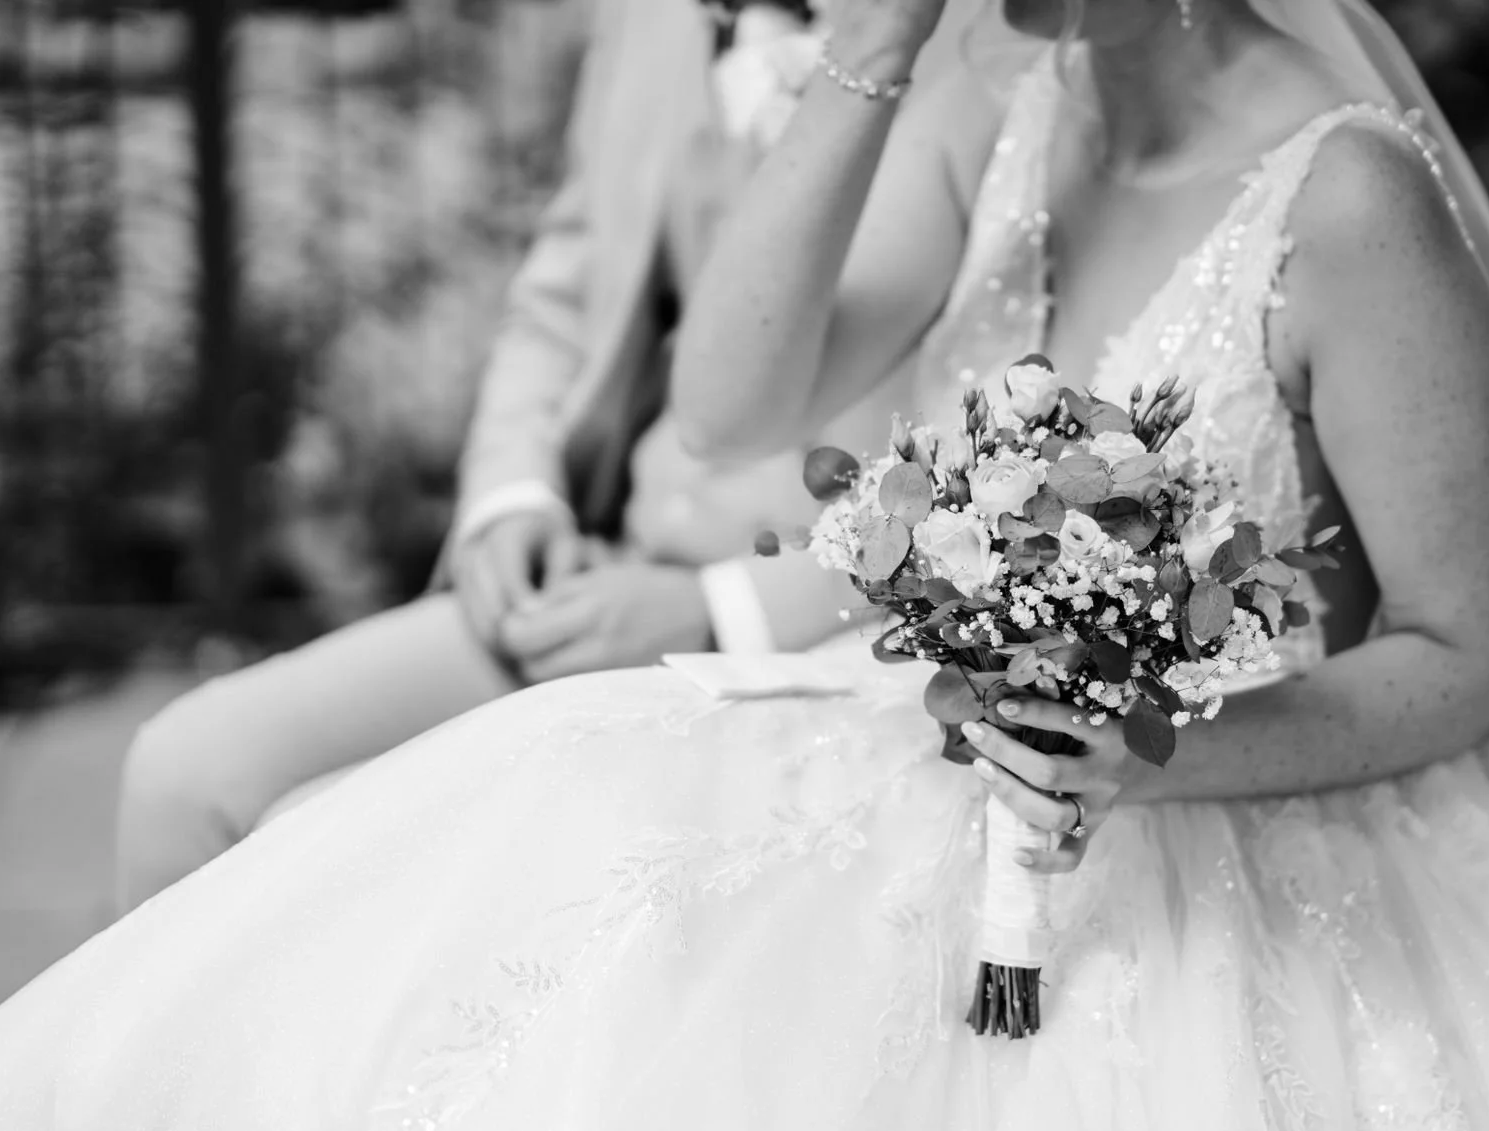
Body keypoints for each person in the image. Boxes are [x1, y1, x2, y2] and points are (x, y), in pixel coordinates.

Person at [0, 0, 1489, 1131]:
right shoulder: (1025, 112)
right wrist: (881, 45)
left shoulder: (1352, 201)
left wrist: (1159, 753)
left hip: (1220, 840)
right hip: (907, 752)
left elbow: (1472, 654)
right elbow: (736, 404)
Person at [109, 0, 962, 912]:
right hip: (598, 572)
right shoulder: (653, 17)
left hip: (839, 625)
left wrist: (721, 609)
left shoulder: (1004, 35)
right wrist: (512, 501)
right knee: (184, 776)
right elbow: (566, 293)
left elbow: (1017, 422)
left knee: (419, 884)